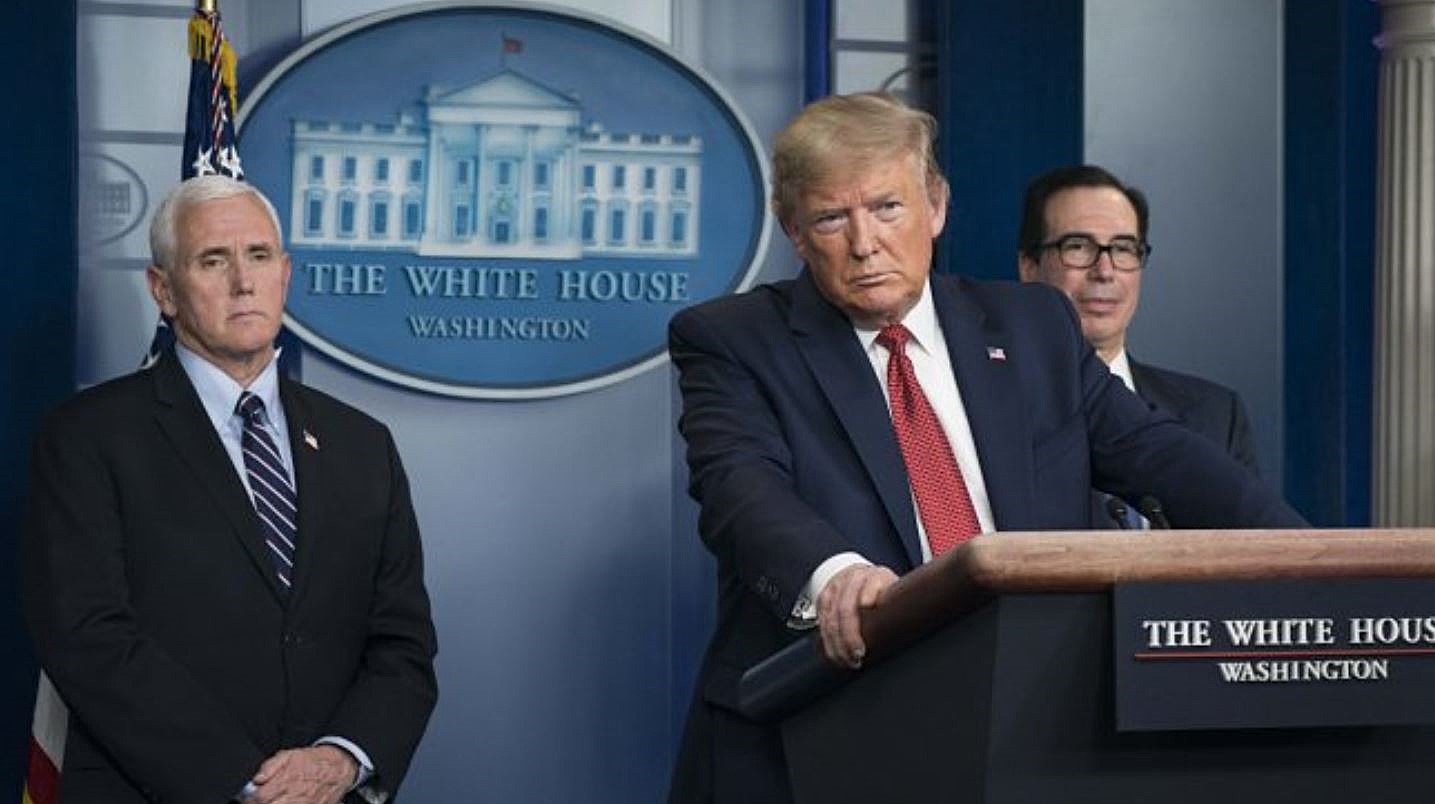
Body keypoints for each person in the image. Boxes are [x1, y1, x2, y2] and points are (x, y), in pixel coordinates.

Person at [665, 93, 1304, 803]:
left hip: (1025, 727)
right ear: (795, 231)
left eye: (887, 207)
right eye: (831, 218)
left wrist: (1307, 560)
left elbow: (1158, 452)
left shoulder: (1032, 326)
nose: (864, 242)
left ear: (936, 207)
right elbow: (740, 487)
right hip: (819, 730)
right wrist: (835, 576)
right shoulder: (733, 340)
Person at [21, 175, 438, 804]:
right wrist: (248, 782)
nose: (243, 281)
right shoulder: (88, 437)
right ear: (163, 289)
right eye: (213, 260)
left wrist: (339, 761)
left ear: (285, 275)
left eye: (259, 255)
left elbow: (402, 645)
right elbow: (89, 636)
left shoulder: (362, 444)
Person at [1016, 164, 1259, 527]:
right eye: (1078, 247)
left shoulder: (1217, 415)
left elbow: (1251, 550)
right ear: (1029, 267)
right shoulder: (998, 416)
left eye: (1123, 249)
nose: (1105, 271)